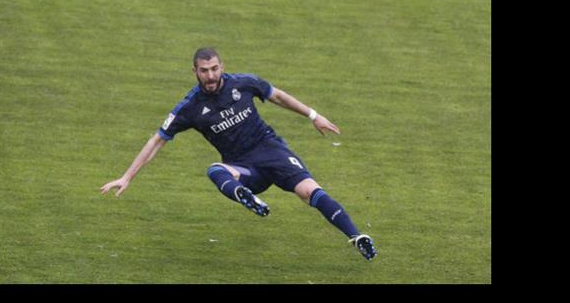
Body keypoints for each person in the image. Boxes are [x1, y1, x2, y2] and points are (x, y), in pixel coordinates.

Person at [100, 47, 377, 260]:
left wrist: (313, 115)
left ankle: (357, 236)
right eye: (204, 70)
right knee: (215, 170)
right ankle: (246, 197)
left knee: (310, 191)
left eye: (214, 68)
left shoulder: (244, 83)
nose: (210, 75)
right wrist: (126, 177)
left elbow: (278, 96)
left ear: (222, 67)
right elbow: (156, 142)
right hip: (245, 169)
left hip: (273, 151)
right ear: (194, 72)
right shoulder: (189, 107)